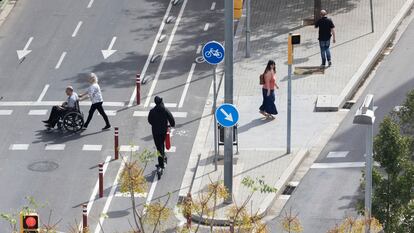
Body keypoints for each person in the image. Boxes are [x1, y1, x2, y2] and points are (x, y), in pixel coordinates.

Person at [148, 96, 175, 169]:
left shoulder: (152, 111)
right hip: (163, 131)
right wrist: (172, 125)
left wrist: (154, 124)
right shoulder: (165, 110)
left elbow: (149, 120)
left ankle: (161, 163)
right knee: (162, 145)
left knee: (159, 147)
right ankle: (162, 161)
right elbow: (171, 118)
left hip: (155, 132)